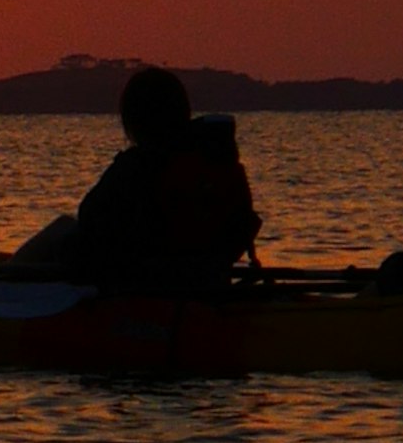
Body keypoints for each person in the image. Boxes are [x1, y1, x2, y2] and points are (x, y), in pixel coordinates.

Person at [17, 64, 260, 292]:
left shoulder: (140, 165)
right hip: (206, 283)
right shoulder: (219, 164)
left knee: (63, 228)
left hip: (145, 288)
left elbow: (90, 216)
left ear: (135, 118)